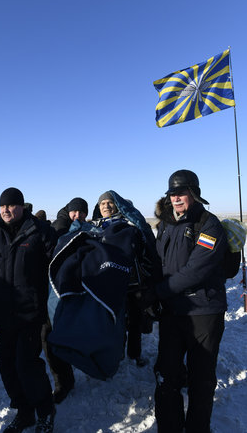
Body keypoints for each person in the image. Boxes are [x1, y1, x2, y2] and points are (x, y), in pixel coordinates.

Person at [0, 187, 57, 433]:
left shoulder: (39, 231)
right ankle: (24, 411)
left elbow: (56, 266)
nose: (5, 209)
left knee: (27, 365)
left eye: (11, 205)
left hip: (30, 313)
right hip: (1, 313)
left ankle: (46, 410)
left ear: (22, 206)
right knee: (7, 365)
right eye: (2, 205)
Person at [153, 169, 228, 433]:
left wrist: (159, 292)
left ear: (194, 193)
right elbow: (158, 262)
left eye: (181, 193)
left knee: (201, 380)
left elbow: (197, 270)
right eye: (172, 193)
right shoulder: (165, 224)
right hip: (173, 313)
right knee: (166, 376)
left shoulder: (208, 225)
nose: (176, 198)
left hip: (204, 313)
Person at [94, 191, 159, 366]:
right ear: (98, 208)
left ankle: (134, 353)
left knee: (135, 320)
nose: (106, 206)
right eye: (102, 204)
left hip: (133, 282)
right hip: (108, 284)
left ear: (117, 205)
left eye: (109, 203)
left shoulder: (131, 225)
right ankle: (117, 353)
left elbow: (145, 249)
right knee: (115, 321)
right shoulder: (95, 228)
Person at [43, 197, 89, 404]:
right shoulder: (60, 228)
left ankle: (66, 377)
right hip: (51, 291)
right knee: (49, 337)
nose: (77, 216)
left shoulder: (84, 228)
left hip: (71, 291)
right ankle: (62, 382)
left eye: (81, 213)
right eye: (74, 212)